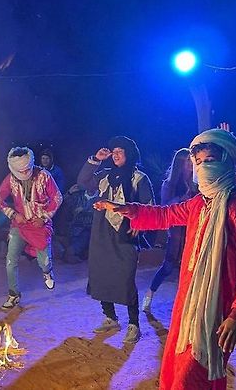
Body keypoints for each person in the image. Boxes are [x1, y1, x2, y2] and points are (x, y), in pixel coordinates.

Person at [95, 129, 236, 389]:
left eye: (210, 161)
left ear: (226, 162)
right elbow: (165, 215)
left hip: (216, 308)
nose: (203, 168)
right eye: (198, 162)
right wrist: (129, 210)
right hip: (187, 304)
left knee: (192, 376)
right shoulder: (199, 203)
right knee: (175, 371)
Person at [78, 136, 155, 343]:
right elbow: (83, 181)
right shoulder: (104, 175)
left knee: (125, 277)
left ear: (129, 154)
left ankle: (133, 324)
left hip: (126, 232)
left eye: (121, 151)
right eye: (114, 151)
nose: (116, 154)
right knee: (101, 273)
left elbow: (149, 205)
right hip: (102, 232)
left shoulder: (139, 178)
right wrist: (96, 158)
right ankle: (110, 317)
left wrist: (141, 225)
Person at [0, 147, 62, 310]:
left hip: (40, 226)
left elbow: (57, 197)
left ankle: (47, 272)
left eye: (27, 169)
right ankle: (13, 295)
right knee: (11, 261)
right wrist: (13, 214)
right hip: (20, 225)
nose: (25, 172)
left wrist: (44, 216)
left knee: (44, 262)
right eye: (21, 170)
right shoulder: (10, 179)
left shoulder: (44, 176)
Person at [142, 148, 198, 313]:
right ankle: (150, 293)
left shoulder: (197, 183)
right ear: (180, 165)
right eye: (187, 162)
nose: (190, 165)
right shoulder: (170, 184)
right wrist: (183, 198)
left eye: (191, 161)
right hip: (177, 231)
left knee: (191, 266)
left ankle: (188, 304)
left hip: (193, 229)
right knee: (168, 265)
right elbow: (165, 206)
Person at [55, 184, 96, 263]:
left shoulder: (101, 198)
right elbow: (59, 204)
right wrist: (69, 193)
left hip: (89, 229)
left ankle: (70, 252)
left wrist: (84, 211)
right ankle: (68, 252)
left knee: (84, 236)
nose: (91, 185)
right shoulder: (77, 196)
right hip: (73, 227)